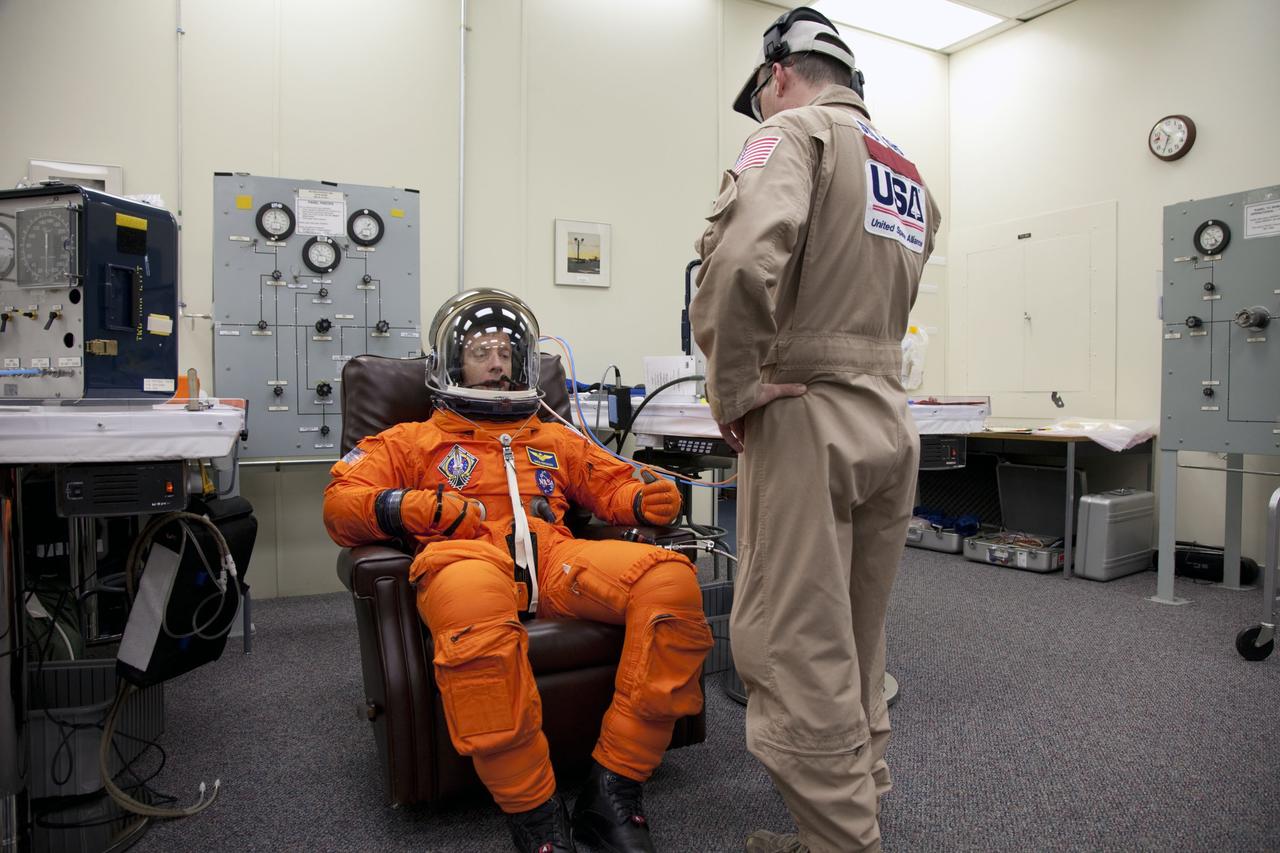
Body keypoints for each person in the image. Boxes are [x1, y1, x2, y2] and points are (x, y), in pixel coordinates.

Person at [323, 288, 713, 853]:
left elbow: (611, 484)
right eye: (483, 351)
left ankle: (614, 789)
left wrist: (639, 501)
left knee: (670, 581)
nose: (498, 362)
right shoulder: (411, 440)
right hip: (465, 553)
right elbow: (340, 504)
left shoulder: (553, 436)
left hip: (554, 556)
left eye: (508, 352)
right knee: (475, 624)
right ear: (453, 363)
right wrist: (406, 507)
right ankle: (534, 812)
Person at [689, 8, 940, 853]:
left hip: (808, 417)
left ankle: (841, 844)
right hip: (887, 421)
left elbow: (735, 263)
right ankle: (845, 813)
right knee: (858, 643)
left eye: (759, 97)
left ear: (778, 76)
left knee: (795, 645)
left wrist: (734, 390)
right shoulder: (904, 171)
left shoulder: (793, 134)